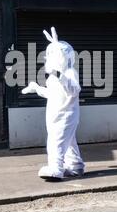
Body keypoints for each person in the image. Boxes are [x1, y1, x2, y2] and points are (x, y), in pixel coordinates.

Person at [22, 27, 85, 181]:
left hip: (65, 115)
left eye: (52, 54)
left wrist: (57, 74)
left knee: (56, 141)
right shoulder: (53, 77)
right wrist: (37, 88)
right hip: (56, 114)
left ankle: (55, 168)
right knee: (68, 142)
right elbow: (53, 94)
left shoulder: (69, 73)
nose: (47, 58)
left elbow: (74, 90)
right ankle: (76, 166)